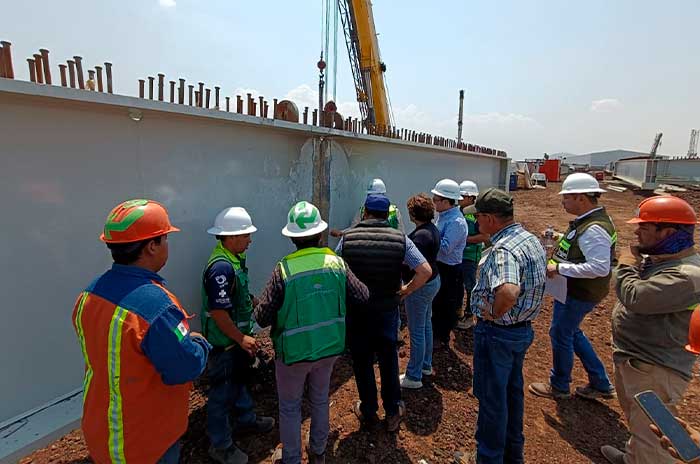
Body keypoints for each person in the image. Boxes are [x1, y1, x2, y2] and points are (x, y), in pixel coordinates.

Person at [72, 199, 211, 464]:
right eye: (165, 239)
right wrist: (199, 345)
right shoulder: (157, 308)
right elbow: (186, 367)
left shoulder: (89, 294)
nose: (167, 245)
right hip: (144, 441)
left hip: (102, 429)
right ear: (151, 246)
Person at [253, 201, 369, 464]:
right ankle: (318, 451)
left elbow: (262, 317)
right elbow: (362, 295)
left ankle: (291, 458)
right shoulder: (337, 263)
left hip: (293, 354)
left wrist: (257, 304)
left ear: (292, 237)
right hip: (329, 347)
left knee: (290, 408)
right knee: (319, 399)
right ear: (319, 234)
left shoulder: (284, 269)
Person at [600, 196, 700, 464]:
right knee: (639, 421)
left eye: (644, 228)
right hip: (637, 359)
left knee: (653, 438)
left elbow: (636, 297)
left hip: (655, 369)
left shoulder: (687, 275)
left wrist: (625, 263)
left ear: (667, 232)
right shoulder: (661, 260)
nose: (636, 232)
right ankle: (633, 458)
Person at [336, 193, 432, 431]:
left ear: (364, 213)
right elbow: (425, 271)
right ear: (386, 214)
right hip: (387, 312)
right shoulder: (401, 239)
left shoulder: (347, 239)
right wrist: (406, 291)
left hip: (358, 313)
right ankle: (392, 411)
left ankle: (368, 410)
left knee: (362, 361)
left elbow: (336, 271)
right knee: (389, 360)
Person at [470, 189, 547, 464]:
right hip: (520, 331)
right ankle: (513, 454)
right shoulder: (529, 239)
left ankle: (489, 458)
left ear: (490, 218)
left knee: (492, 400)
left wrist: (492, 313)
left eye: (478, 217)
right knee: (511, 394)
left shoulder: (503, 250)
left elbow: (509, 291)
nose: (476, 222)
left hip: (498, 333)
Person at [529, 173, 616, 400]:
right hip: (575, 291)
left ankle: (559, 384)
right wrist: (558, 237)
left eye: (566, 197)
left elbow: (599, 267)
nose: (563, 202)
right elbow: (580, 245)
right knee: (571, 332)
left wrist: (560, 269)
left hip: (578, 292)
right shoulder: (588, 222)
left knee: (560, 334)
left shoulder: (593, 228)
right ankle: (600, 382)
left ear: (580, 197)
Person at [201, 207, 274, 464]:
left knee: (239, 381)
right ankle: (220, 445)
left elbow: (236, 297)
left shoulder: (232, 261)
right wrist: (241, 339)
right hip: (225, 345)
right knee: (221, 394)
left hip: (235, 342)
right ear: (230, 237)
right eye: (245, 236)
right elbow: (218, 312)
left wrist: (255, 302)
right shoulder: (221, 268)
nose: (250, 240)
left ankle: (246, 420)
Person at [399, 193, 442, 389]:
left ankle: (414, 376)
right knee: (425, 325)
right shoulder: (431, 230)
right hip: (433, 282)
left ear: (412, 214)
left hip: (421, 285)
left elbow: (419, 269)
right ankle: (425, 365)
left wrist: (408, 289)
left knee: (416, 331)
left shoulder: (420, 237)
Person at [430, 178, 468, 346]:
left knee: (445, 303)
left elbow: (445, 248)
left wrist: (428, 238)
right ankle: (436, 332)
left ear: (446, 201)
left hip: (449, 268)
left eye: (436, 200)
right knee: (437, 301)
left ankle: (442, 336)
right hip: (440, 265)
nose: (434, 203)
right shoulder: (444, 216)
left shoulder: (456, 222)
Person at [456, 180, 489, 331]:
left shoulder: (475, 215)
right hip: (457, 256)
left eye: (463, 196)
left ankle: (470, 315)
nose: (459, 198)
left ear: (471, 198)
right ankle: (458, 312)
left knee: (470, 286)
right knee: (457, 284)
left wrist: (464, 239)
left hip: (469, 256)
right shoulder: (458, 210)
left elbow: (485, 236)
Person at [329, 178, 404, 237]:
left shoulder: (363, 210)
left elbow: (352, 230)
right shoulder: (394, 211)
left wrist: (341, 233)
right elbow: (402, 234)